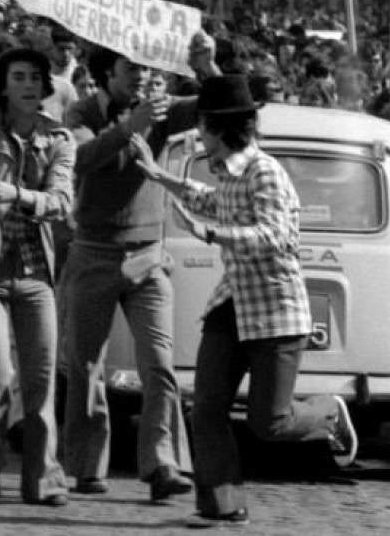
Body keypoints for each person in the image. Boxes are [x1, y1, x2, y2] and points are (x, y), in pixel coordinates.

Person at [130, 75, 355, 526]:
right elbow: (214, 200)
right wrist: (161, 177)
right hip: (232, 305)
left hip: (276, 312)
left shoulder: (264, 171)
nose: (198, 136)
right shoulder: (229, 173)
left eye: (202, 126)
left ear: (220, 128)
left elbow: (274, 237)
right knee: (206, 408)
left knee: (268, 424)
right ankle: (223, 505)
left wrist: (209, 233)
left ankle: (328, 413)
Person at [59, 37, 218, 501]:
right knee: (86, 365)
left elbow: (218, 106)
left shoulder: (163, 110)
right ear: (107, 74)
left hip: (149, 255)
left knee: (159, 364)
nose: (143, 76)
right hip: (94, 252)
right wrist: (132, 126)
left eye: (149, 68)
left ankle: (163, 464)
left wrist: (206, 66)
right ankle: (87, 466)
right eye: (132, 68)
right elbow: (82, 159)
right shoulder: (81, 113)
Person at [0, 9, 75, 506]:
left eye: (34, 78)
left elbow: (62, 202)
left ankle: (43, 480)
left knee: (42, 382)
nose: (27, 85)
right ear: (3, 87)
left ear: (46, 86)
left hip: (36, 274)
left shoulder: (60, 139)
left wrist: (18, 196)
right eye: (18, 77)